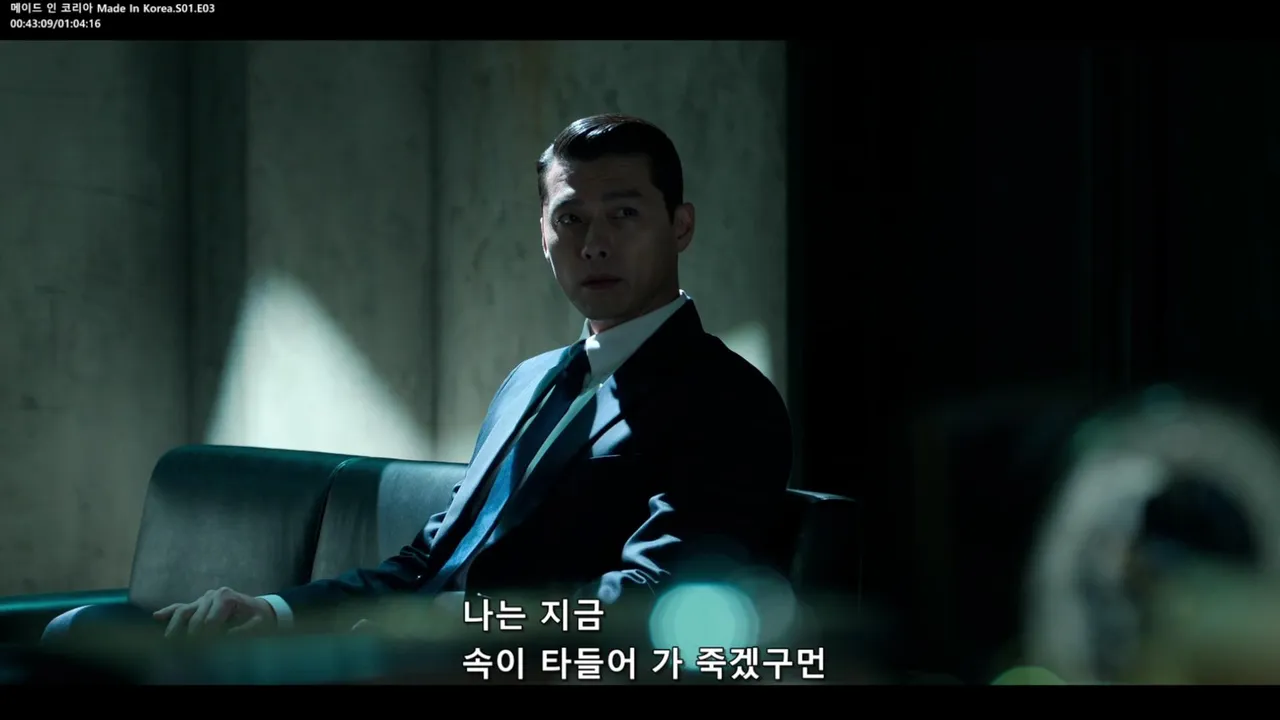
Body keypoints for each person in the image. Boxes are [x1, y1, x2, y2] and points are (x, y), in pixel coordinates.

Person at [46, 114, 793, 648]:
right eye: (569, 219)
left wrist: (448, 635)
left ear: (681, 226)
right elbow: (429, 562)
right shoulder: (531, 382)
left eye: (624, 214)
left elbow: (649, 603)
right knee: (82, 637)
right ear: (543, 236)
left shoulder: (727, 401)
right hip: (399, 658)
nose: (594, 242)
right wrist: (273, 611)